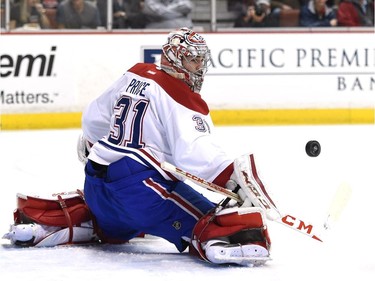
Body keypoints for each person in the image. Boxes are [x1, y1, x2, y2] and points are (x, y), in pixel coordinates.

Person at [3, 28, 276, 267]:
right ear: (175, 59)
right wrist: (232, 178)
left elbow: (94, 117)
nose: (199, 66)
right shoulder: (182, 96)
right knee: (216, 223)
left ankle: (53, 223)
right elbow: (194, 153)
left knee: (113, 225)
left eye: (200, 59)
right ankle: (225, 243)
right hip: (142, 193)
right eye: (193, 59)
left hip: (96, 185)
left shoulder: (136, 73)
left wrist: (95, 141)